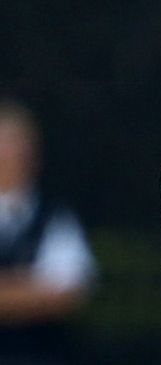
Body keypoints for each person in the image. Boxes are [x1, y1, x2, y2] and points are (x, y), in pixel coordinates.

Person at [0, 100, 96, 365]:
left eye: (14, 146)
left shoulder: (55, 218)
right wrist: (28, 287)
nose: (6, 156)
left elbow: (67, 292)